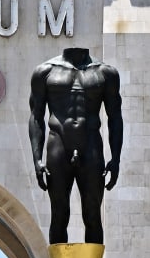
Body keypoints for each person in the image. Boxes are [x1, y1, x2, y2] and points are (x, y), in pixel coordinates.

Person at [27, 47, 123, 244]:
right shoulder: (45, 71)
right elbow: (36, 117)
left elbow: (115, 118)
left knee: (93, 214)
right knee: (59, 214)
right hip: (58, 144)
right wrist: (37, 159)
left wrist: (116, 158)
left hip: (91, 146)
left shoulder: (106, 73)